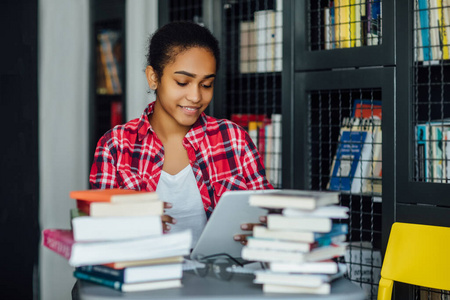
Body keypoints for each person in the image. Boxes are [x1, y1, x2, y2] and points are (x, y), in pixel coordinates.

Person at [89, 21, 273, 247]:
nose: (196, 96)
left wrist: (265, 228)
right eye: (183, 82)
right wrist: (133, 226)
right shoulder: (115, 146)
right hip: (145, 277)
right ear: (153, 77)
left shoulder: (234, 140)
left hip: (223, 277)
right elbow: (97, 232)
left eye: (206, 85)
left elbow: (267, 215)